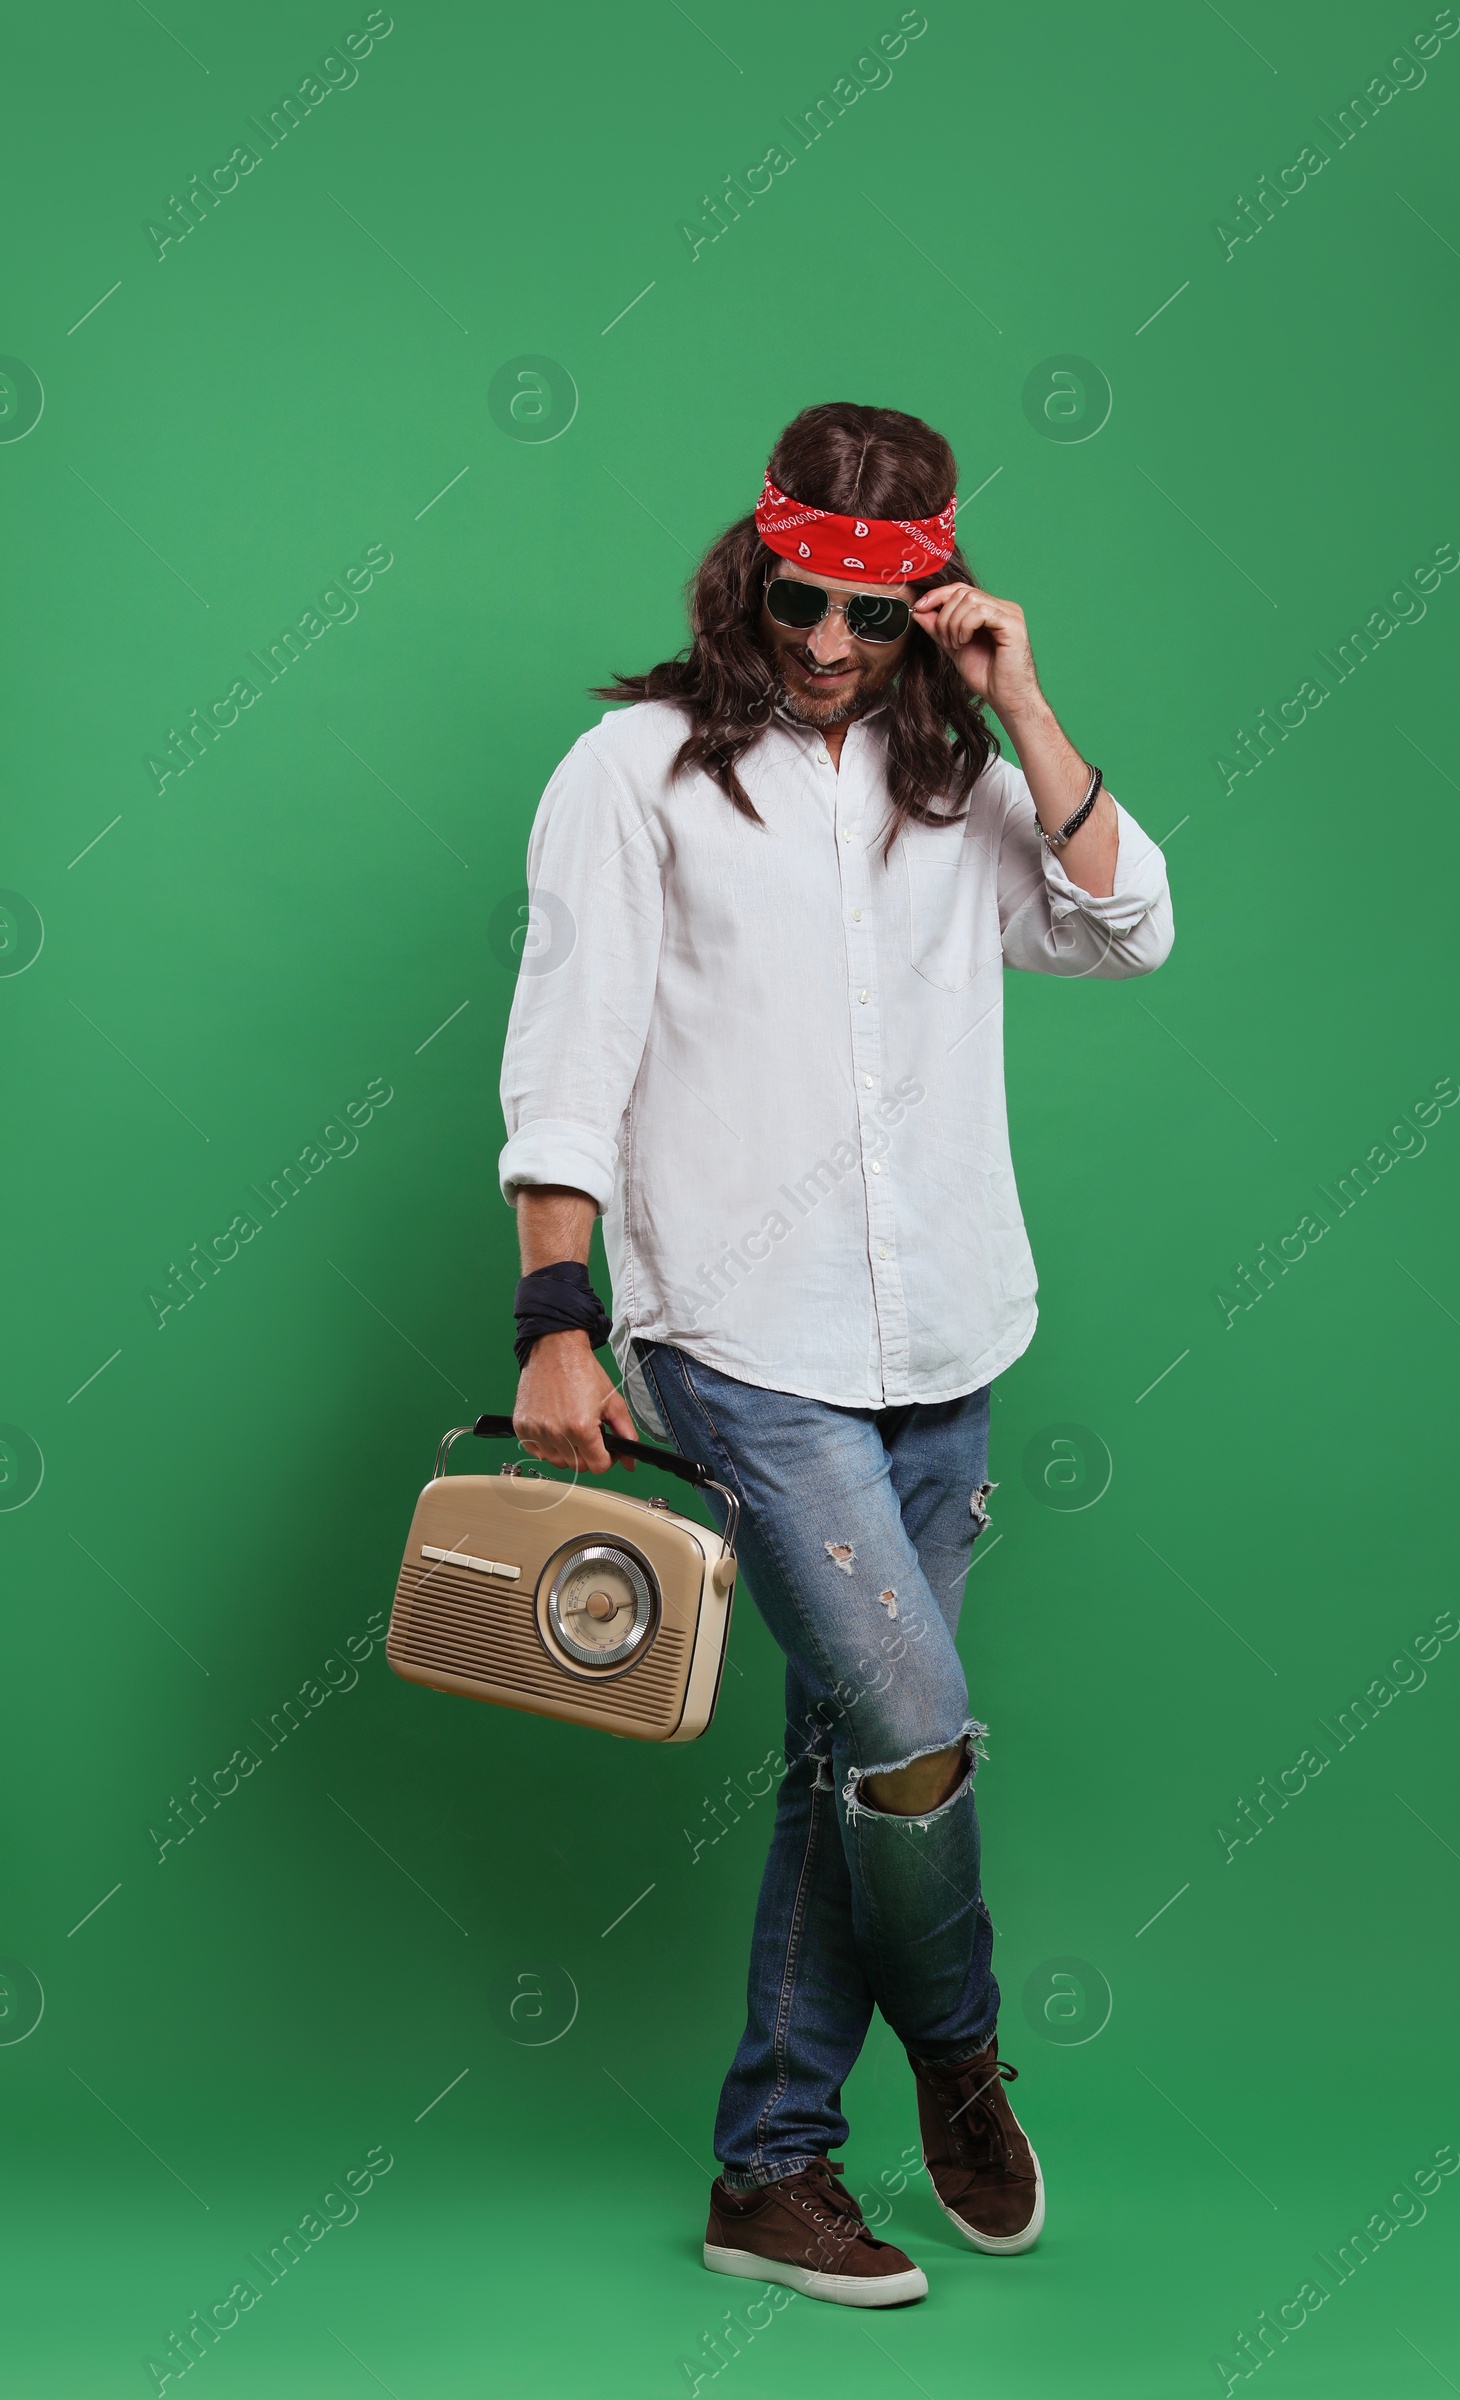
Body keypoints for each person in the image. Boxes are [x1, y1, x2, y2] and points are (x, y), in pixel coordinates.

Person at [498, 400, 1174, 2307]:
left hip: (948, 1335)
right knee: (910, 1729)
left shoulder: (961, 780)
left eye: (874, 621)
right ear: (754, 566)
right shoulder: (633, 773)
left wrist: (1023, 705)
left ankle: (770, 2170)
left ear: (935, 608)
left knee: (845, 1764)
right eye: (800, 601)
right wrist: (558, 1318)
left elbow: (1132, 930)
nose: (824, 647)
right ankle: (956, 2057)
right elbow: (570, 1053)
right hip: (739, 1341)